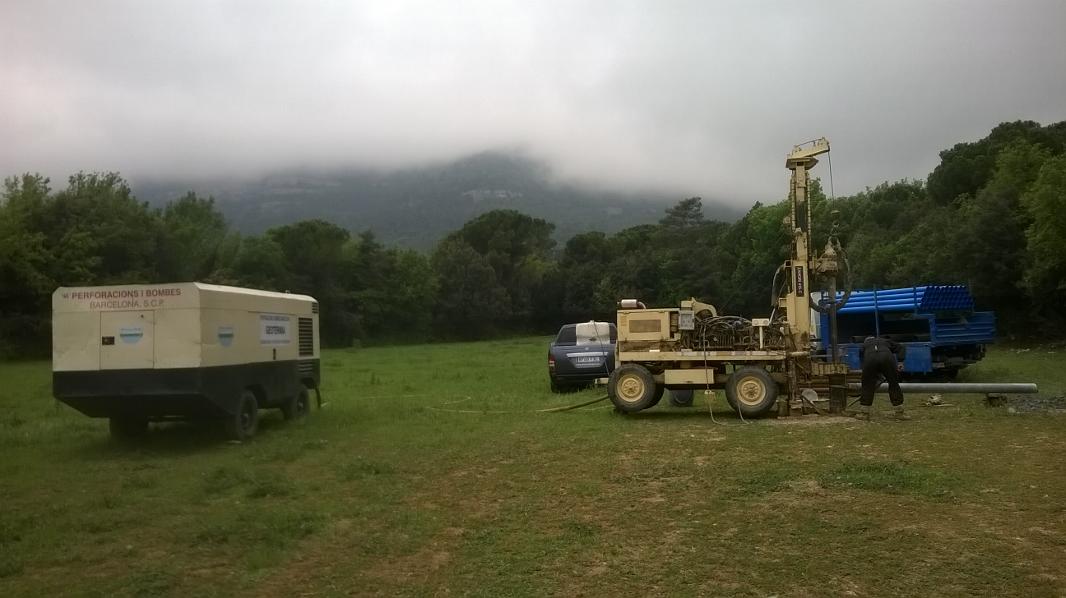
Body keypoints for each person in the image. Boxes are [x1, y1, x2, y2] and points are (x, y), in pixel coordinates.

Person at [855, 335, 909, 421]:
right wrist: (900, 361)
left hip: (870, 359)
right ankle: (899, 413)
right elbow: (901, 347)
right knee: (893, 383)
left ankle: (864, 413)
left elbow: (862, 360)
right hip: (887, 357)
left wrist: (870, 373)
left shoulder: (864, 345)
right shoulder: (885, 341)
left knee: (867, 385)